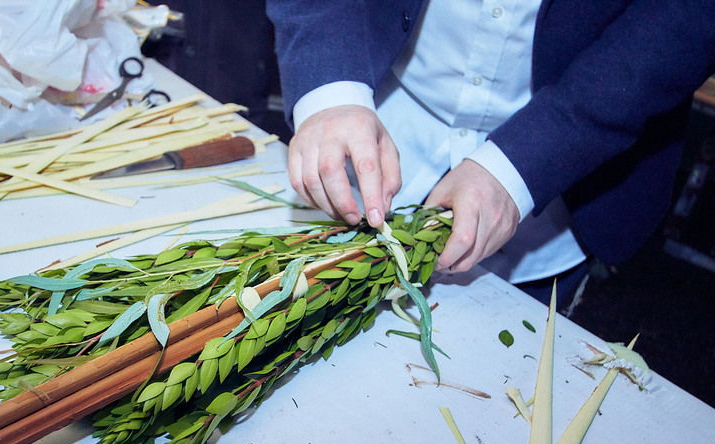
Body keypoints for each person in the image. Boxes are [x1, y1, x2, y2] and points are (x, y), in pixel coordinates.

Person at [266, 0, 715, 306]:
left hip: (565, 174)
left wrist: (524, 164)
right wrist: (330, 91)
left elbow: (685, 18)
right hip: (378, 118)